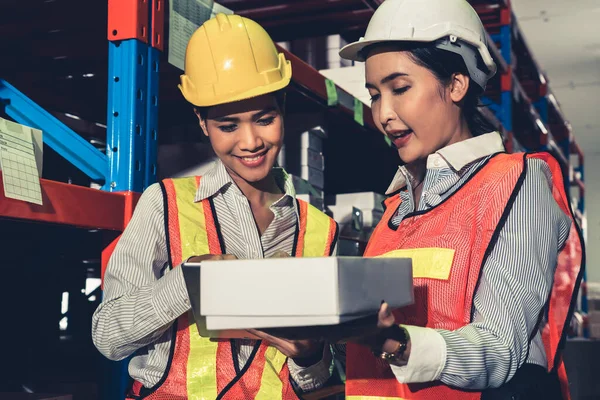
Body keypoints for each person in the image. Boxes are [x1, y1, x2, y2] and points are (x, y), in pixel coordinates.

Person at [338, 0, 584, 399]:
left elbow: (501, 348)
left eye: (400, 89)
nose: (383, 113)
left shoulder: (516, 184)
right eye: (374, 95)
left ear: (456, 84)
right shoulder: (396, 210)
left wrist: (397, 343)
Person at [92, 14, 339, 399]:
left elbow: (322, 378)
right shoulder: (166, 204)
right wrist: (187, 281)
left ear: (283, 107)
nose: (251, 141)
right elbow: (108, 336)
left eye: (264, 119)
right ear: (202, 122)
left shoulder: (322, 231)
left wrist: (310, 358)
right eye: (228, 126)